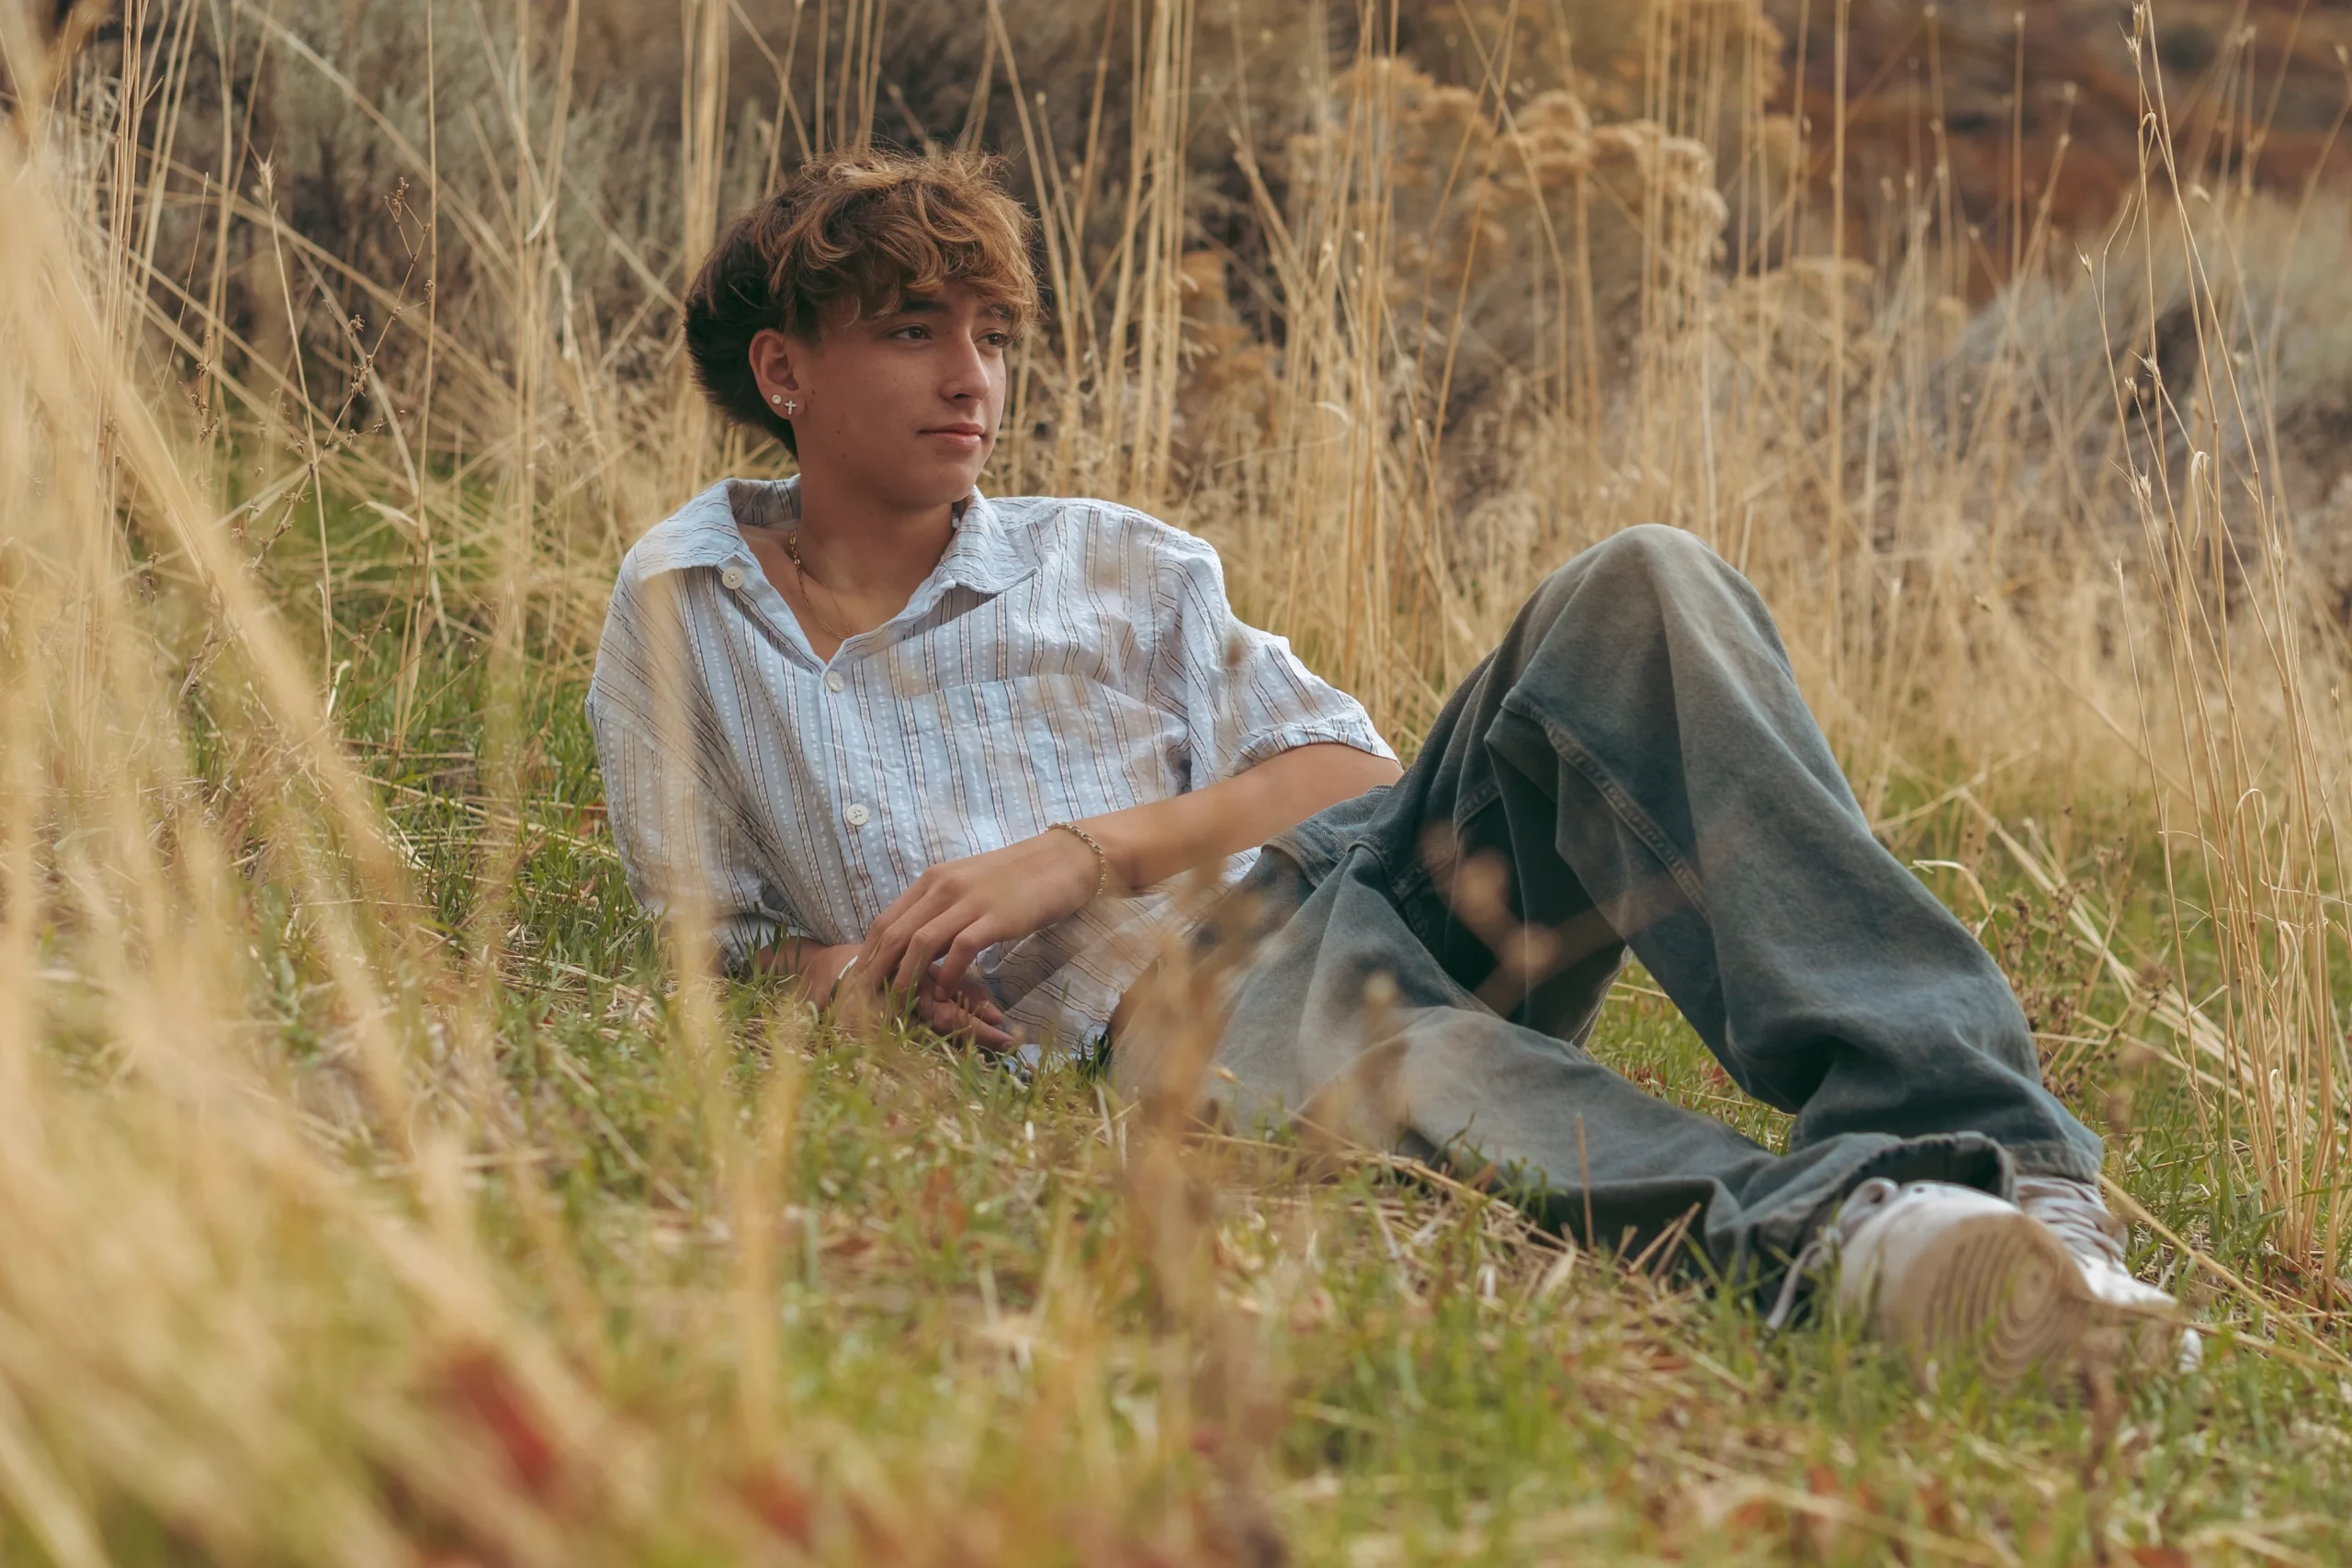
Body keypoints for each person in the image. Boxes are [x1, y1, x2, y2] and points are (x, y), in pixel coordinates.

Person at [586, 147, 2195, 1385]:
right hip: (1177, 1015)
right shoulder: (684, 619)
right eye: (914, 330)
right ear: (783, 370)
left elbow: (1342, 767)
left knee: (1643, 583)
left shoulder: (1111, 561)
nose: (973, 377)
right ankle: (1878, 1251)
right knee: (1362, 1051)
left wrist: (1082, 850)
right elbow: (717, 949)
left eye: (994, 336)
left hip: (1357, 886)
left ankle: (2003, 1164)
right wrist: (872, 976)